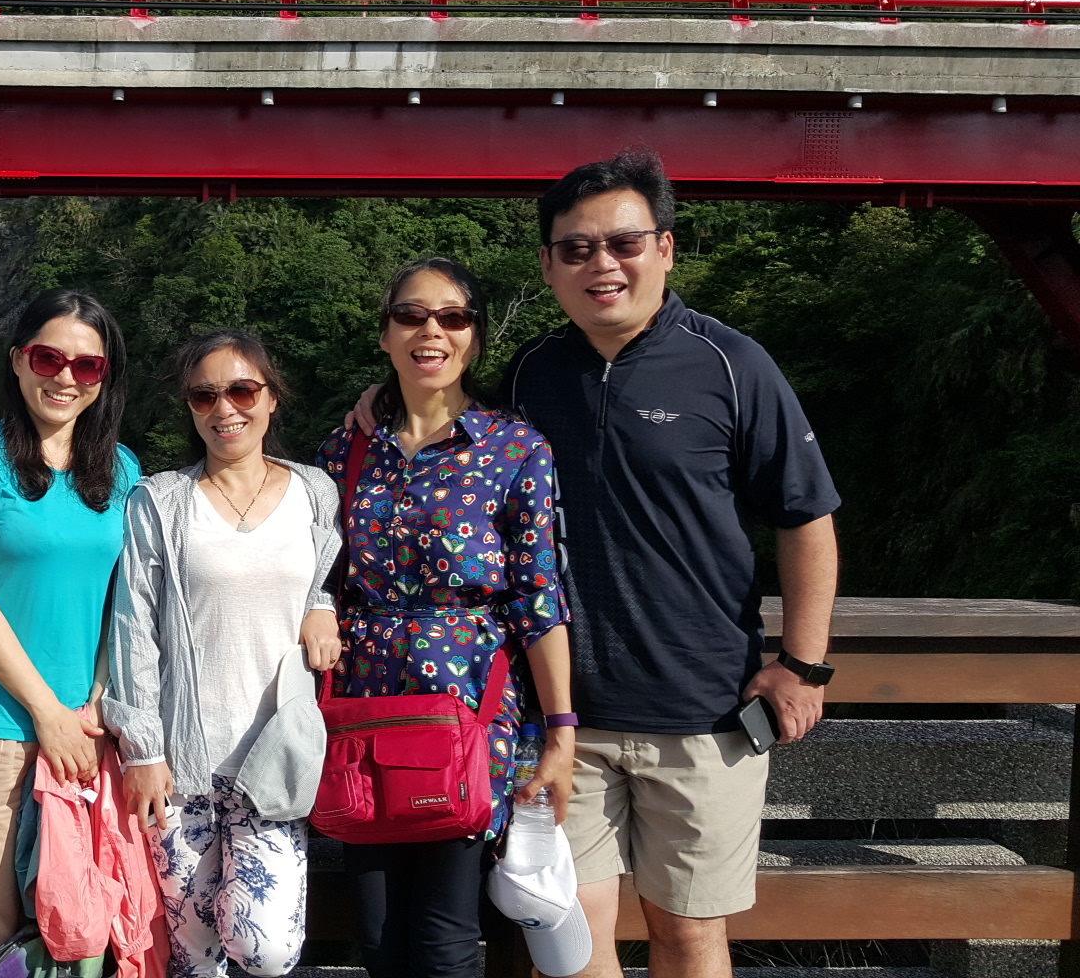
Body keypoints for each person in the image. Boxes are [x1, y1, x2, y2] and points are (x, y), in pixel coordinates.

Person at [504, 151, 840, 978]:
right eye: (577, 248)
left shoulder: (732, 365)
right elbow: (440, 423)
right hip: (562, 718)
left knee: (689, 934)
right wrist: (379, 401)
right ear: (547, 264)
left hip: (704, 710)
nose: (602, 264)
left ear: (665, 248)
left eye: (624, 243)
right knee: (566, 937)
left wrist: (802, 665)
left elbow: (806, 516)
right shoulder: (528, 375)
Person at [319, 256, 577, 978]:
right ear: (385, 334)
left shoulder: (514, 448)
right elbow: (317, 577)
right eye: (411, 316)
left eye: (453, 317)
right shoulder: (344, 451)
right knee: (376, 932)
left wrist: (560, 732)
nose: (431, 331)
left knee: (445, 934)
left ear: (475, 337)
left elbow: (539, 597)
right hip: (364, 713)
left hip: (467, 712)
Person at [103, 330, 342, 978]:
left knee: (266, 949)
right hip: (181, 767)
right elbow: (134, 627)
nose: (224, 408)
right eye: (204, 395)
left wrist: (322, 604)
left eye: (241, 390)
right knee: (193, 952)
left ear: (271, 398)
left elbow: (329, 574)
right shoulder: (160, 500)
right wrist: (143, 750)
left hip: (274, 761)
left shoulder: (314, 492)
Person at [0, 288, 141, 978]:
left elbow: (125, 605)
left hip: (86, 735)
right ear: (19, 360)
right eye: (49, 358)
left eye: (87, 365)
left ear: (104, 377)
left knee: (79, 930)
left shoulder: (121, 470)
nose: (66, 377)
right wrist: (47, 712)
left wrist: (95, 705)